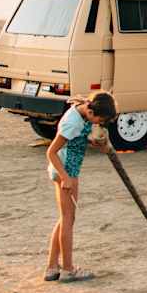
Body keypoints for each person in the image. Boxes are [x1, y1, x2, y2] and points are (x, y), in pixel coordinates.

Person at [44, 91, 118, 282]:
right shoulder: (73, 122)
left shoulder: (84, 112)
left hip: (69, 170)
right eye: (99, 120)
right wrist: (65, 177)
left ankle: (52, 267)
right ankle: (68, 269)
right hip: (66, 171)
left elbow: (78, 139)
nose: (98, 124)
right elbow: (51, 152)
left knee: (65, 219)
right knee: (68, 220)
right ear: (93, 112)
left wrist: (94, 141)